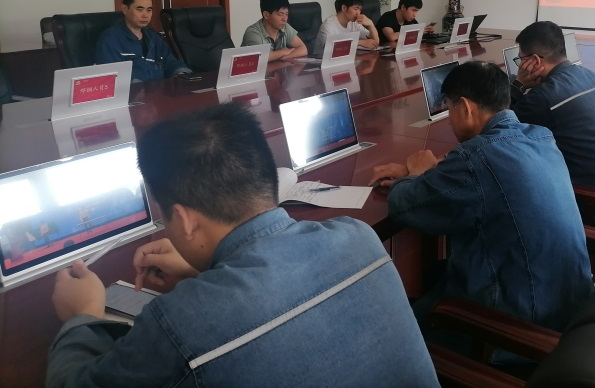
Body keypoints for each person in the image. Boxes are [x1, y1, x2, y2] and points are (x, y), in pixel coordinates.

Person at [46, 103, 438, 387]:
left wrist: (82, 316)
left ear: (184, 219)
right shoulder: (358, 237)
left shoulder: (181, 321)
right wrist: (203, 271)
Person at [369, 61, 594, 332]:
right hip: (567, 304)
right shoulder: (539, 137)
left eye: (449, 109)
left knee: (390, 330)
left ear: (465, 107)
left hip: (514, 324)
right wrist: (427, 167)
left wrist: (415, 175)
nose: (449, 119)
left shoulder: (475, 159)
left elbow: (404, 206)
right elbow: (486, 162)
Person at [510, 22, 595, 229]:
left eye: (521, 59)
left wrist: (518, 85)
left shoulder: (547, 96)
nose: (520, 65)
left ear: (534, 60)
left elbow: (499, 126)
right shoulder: (587, 74)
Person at [95, 0, 192, 82]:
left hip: (160, 90)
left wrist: (182, 74)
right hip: (132, 92)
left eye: (149, 10)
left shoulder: (154, 37)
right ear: (125, 9)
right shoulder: (110, 40)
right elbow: (113, 78)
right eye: (140, 9)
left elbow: (171, 63)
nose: (145, 15)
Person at [241, 0, 308, 62]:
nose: (285, 19)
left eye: (286, 14)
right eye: (280, 14)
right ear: (266, 15)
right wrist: (283, 52)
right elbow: (260, 58)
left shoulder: (284, 27)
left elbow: (303, 49)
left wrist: (284, 57)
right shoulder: (253, 33)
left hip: (277, 67)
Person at [314, 0, 379, 56]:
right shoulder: (328, 25)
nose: (358, 13)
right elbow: (332, 47)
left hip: (346, 59)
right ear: (344, 8)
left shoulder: (354, 24)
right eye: (356, 9)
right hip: (322, 60)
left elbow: (375, 42)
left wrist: (371, 25)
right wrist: (359, 42)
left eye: (360, 9)